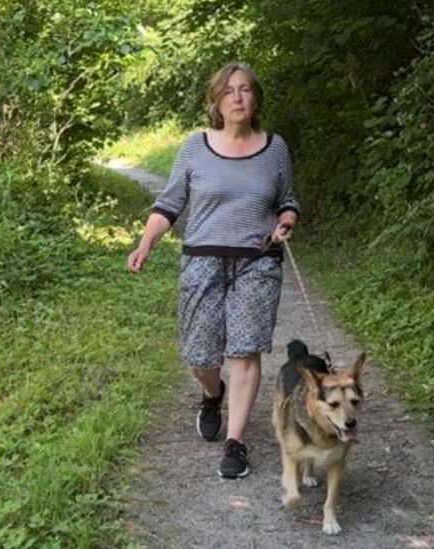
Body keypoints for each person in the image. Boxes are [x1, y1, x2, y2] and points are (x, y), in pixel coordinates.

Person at [127, 62, 299, 479]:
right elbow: (169, 204)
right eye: (229, 91)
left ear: (255, 98)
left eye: (245, 90)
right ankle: (212, 392)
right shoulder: (194, 147)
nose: (237, 98)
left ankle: (235, 442)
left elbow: (287, 199)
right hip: (202, 259)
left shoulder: (275, 148)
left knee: (244, 350)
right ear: (216, 101)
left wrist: (287, 219)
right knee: (200, 354)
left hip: (258, 261)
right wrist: (146, 242)